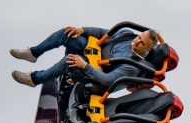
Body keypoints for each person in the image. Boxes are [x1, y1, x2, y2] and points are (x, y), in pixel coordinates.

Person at [10, 26, 158, 92]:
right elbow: (103, 32)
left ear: (148, 49)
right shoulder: (127, 34)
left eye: (142, 43)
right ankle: (34, 53)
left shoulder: (133, 66)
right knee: (67, 33)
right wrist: (83, 30)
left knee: (71, 60)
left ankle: (35, 79)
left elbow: (107, 80)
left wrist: (84, 66)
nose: (137, 41)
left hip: (97, 76)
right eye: (139, 37)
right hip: (92, 53)